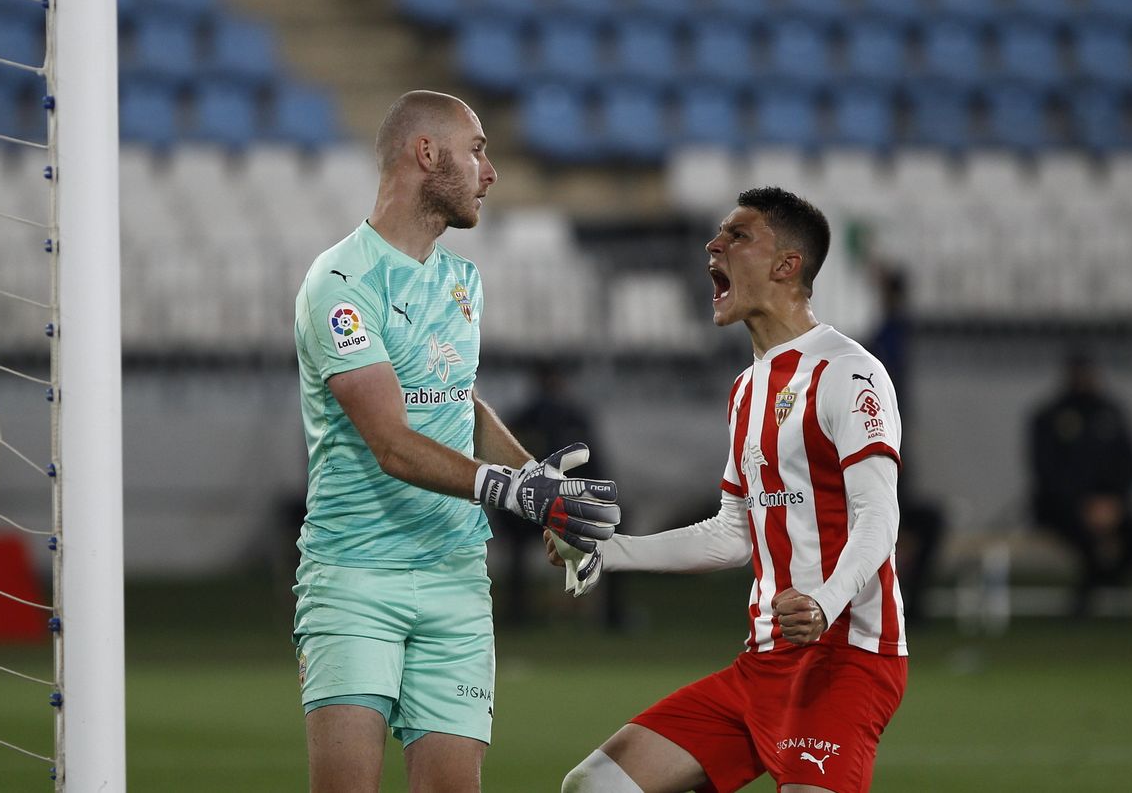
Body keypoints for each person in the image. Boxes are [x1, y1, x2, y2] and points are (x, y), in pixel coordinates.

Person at [291, 90, 620, 793]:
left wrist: (545, 490)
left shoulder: (461, 280)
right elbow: (393, 442)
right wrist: (510, 490)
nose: (490, 170)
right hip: (357, 577)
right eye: (477, 149)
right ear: (426, 154)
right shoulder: (340, 284)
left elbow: (454, 405)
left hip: (456, 580)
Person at [553, 187, 907, 793]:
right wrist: (606, 552)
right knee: (593, 786)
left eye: (737, 236)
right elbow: (731, 535)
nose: (714, 246)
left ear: (786, 266)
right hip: (763, 663)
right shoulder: (747, 389)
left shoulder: (848, 371)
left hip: (843, 657)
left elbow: (879, 517)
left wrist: (824, 601)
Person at [495, 361, 628, 631]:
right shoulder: (555, 417)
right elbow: (596, 470)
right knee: (614, 533)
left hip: (541, 510)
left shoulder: (531, 417)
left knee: (518, 542)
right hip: (555, 508)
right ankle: (612, 615)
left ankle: (518, 613)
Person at [1028, 351, 1132, 615]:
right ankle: (1087, 601)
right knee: (1087, 542)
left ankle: (1100, 588)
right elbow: (1047, 470)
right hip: (1062, 507)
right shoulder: (1050, 416)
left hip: (1111, 505)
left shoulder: (1111, 413)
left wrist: (1115, 501)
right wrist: (1082, 504)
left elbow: (1130, 463)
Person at [865, 267, 946, 627]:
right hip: (878, 453)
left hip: (886, 449)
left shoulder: (888, 336)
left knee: (916, 523)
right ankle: (894, 607)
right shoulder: (890, 339)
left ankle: (903, 605)